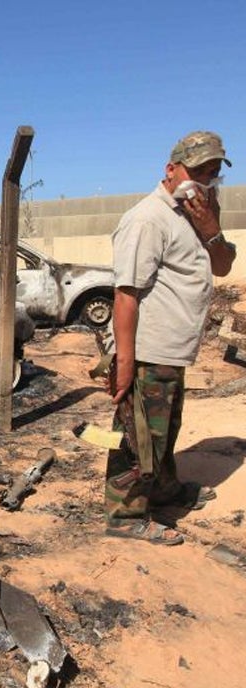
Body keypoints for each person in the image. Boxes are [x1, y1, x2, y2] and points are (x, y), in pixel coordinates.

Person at [104, 131, 236, 545]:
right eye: (197, 171)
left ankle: (163, 492)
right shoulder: (148, 218)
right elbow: (125, 295)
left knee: (165, 430)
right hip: (147, 351)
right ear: (171, 169)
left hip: (173, 352)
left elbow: (224, 267)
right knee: (138, 438)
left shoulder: (198, 214)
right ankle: (124, 515)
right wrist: (124, 363)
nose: (204, 181)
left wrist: (210, 227)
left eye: (212, 173)